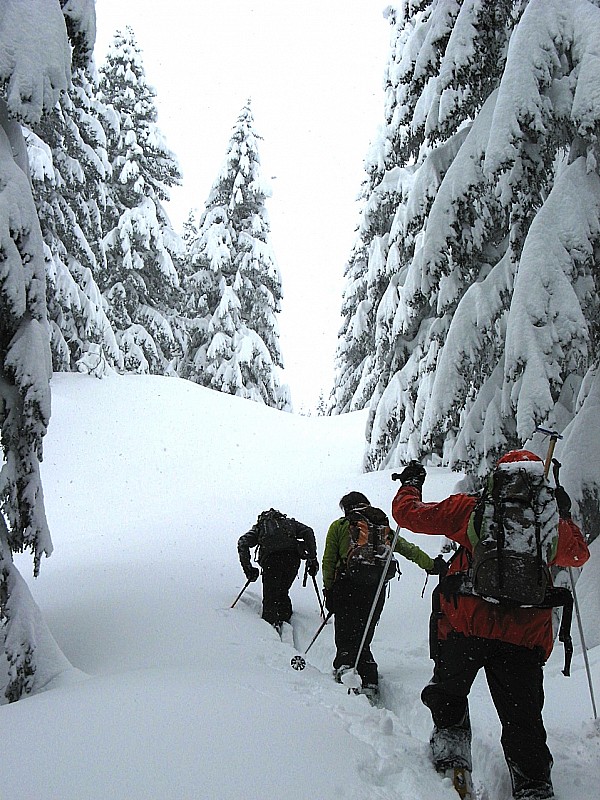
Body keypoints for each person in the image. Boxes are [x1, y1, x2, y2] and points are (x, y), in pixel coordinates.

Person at [392, 452, 590, 800]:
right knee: (523, 720)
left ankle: (452, 751)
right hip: (522, 641)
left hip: (465, 628)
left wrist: (410, 486)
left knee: (450, 693)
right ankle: (532, 784)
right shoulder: (548, 523)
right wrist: (565, 513)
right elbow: (578, 555)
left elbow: (408, 516)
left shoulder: (471, 509)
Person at [322, 491, 438, 700]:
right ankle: (369, 676)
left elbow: (329, 561)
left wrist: (328, 590)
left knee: (345, 630)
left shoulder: (339, 526)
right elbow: (407, 549)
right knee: (364, 631)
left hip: (346, 585)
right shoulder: (382, 527)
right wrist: (431, 564)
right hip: (375, 587)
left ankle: (346, 668)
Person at [237, 509, 318, 632]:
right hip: (292, 559)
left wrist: (248, 569)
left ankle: (270, 630)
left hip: (271, 560)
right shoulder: (290, 523)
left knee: (270, 594)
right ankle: (285, 618)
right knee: (282, 590)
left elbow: (243, 542)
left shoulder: (260, 526)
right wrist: (312, 557)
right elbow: (308, 531)